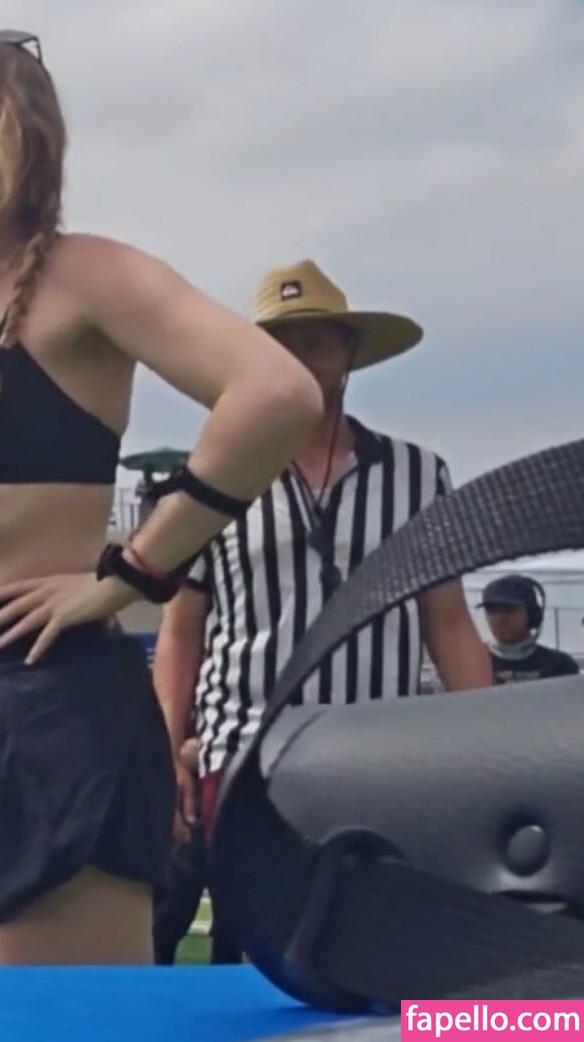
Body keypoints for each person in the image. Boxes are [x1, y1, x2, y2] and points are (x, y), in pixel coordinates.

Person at [0, 29, 324, 967]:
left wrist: (132, 572)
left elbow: (275, 393)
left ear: (30, 138)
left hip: (44, 700)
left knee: (66, 1022)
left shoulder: (87, 276)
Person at [153, 258, 494, 961]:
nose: (300, 359)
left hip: (377, 752)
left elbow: (447, 621)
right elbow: (181, 630)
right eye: (280, 345)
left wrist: (485, 749)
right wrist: (165, 751)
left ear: (348, 351)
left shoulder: (415, 474)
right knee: (249, 949)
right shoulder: (211, 475)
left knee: (374, 942)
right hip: (243, 750)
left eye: (316, 341)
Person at [479, 573, 580, 683]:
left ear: (532, 615)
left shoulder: (560, 666)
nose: (499, 619)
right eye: (492, 610)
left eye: (509, 610)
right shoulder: (473, 666)